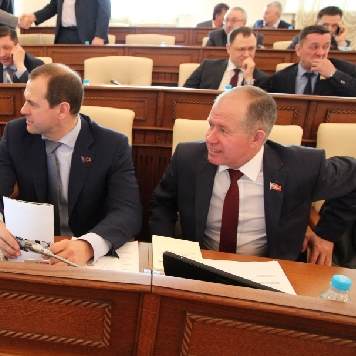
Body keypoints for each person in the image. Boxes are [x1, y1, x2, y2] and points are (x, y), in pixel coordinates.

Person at [149, 86, 356, 265]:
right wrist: (167, 252)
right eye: (211, 125)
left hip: (271, 269)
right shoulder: (188, 158)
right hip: (200, 263)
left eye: (223, 130)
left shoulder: (300, 167)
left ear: (256, 137)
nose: (210, 138)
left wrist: (326, 233)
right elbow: (162, 204)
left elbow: (353, 177)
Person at [0, 63, 142, 266]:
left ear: (62, 110)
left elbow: (128, 210)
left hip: (87, 256)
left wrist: (88, 245)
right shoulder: (16, 134)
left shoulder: (112, 145)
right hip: (30, 253)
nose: (23, 110)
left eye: (32, 104)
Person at [271, 25, 356, 97]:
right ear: (299, 50)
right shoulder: (281, 77)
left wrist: (333, 74)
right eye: (315, 47)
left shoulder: (345, 70)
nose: (321, 53)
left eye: (326, 47)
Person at [184, 27, 269, 90]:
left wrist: (249, 79)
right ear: (229, 48)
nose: (247, 54)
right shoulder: (207, 67)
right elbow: (185, 94)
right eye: (241, 49)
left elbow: (256, 107)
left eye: (251, 49)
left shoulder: (262, 79)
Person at [21, 0, 111, 45]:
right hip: (63, 35)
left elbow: (104, 8)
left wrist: (100, 36)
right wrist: (33, 17)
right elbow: (54, 5)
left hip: (87, 36)